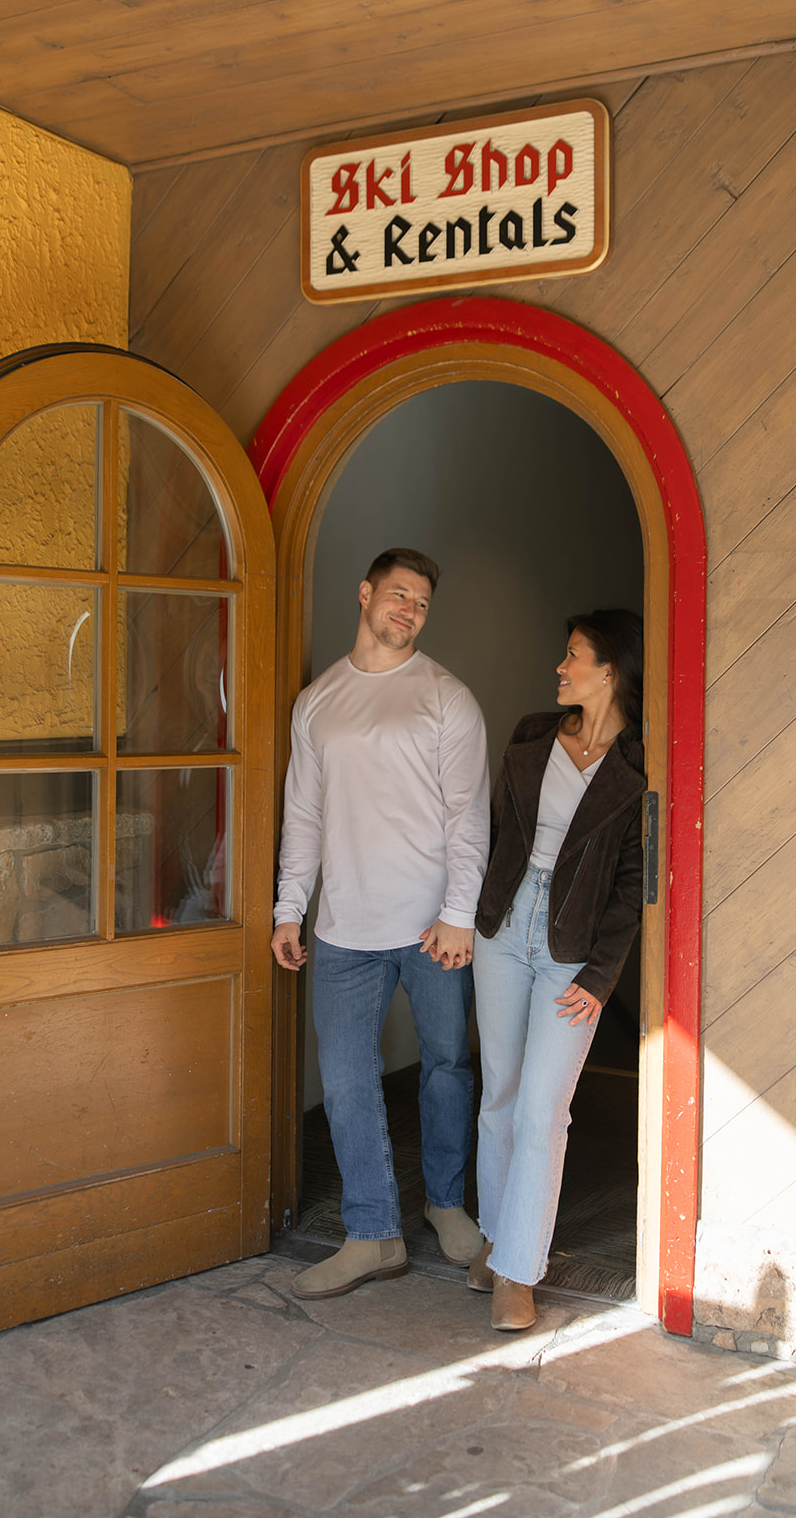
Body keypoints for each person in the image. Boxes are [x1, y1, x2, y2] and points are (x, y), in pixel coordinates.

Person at [271, 547, 490, 1299]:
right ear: (364, 594)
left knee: (446, 1067)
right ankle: (372, 1233)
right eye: (397, 595)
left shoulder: (445, 697)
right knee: (346, 1083)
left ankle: (444, 1202)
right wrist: (287, 908)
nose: (408, 611)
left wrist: (459, 914)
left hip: (433, 927)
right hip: (341, 930)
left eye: (421, 603)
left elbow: (469, 816)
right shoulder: (318, 701)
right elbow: (302, 813)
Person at [469, 609, 646, 1331]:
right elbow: (493, 831)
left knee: (545, 1110)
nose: (559, 667)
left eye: (572, 657)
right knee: (500, 1095)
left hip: (570, 949)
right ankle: (493, 1234)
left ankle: (517, 1271)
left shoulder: (637, 765)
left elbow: (634, 880)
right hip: (503, 930)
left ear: (609, 671)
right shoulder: (532, 735)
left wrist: (601, 976)